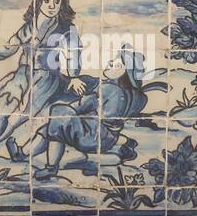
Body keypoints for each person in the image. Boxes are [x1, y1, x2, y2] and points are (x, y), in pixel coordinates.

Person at [0, 0, 88, 156]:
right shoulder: (29, 27)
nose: (52, 6)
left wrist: (74, 76)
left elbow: (74, 53)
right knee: (5, 102)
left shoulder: (67, 28)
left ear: (63, 4)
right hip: (22, 73)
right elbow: (11, 45)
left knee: (23, 112)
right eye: (47, 0)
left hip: (47, 76)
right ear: (38, 2)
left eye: (57, 1)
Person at [32, 47, 149, 179]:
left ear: (124, 71)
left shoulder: (108, 89)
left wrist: (70, 99)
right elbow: (92, 81)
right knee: (51, 128)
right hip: (110, 137)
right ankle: (23, 154)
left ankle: (51, 168)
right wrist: (75, 80)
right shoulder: (136, 96)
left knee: (59, 114)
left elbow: (80, 107)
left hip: (92, 136)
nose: (110, 62)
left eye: (116, 63)